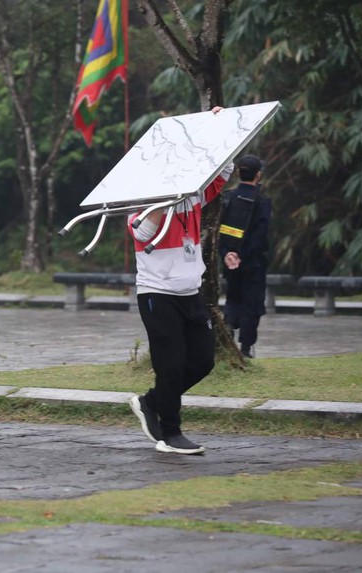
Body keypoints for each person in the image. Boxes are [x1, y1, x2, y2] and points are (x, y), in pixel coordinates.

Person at [127, 106, 232, 455]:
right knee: (169, 364)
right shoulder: (139, 201)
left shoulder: (193, 195)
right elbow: (144, 232)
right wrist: (164, 197)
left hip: (190, 294)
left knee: (202, 361)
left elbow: (225, 169)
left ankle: (151, 402)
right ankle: (170, 434)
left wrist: (218, 129)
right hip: (158, 295)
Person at [218, 155, 272, 359]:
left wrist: (227, 254)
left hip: (230, 262)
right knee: (253, 303)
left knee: (233, 298)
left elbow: (220, 231)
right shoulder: (263, 202)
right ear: (258, 174)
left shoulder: (227, 197)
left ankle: (227, 338)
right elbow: (260, 235)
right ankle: (246, 349)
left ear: (238, 172)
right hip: (253, 262)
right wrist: (243, 255)